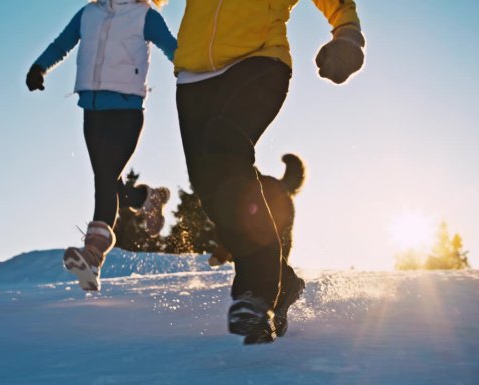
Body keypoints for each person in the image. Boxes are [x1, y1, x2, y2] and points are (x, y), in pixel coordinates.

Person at [173, 0, 365, 344]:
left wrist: (347, 34)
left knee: (226, 144)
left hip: (260, 59)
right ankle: (283, 281)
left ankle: (256, 294)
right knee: (210, 187)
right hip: (194, 76)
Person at [26, 0, 177, 292]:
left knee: (104, 179)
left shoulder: (145, 15)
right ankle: (147, 198)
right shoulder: (88, 14)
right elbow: (62, 44)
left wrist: (198, 71)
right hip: (92, 112)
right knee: (108, 179)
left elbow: (174, 49)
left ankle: (93, 254)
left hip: (126, 111)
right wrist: (39, 67)